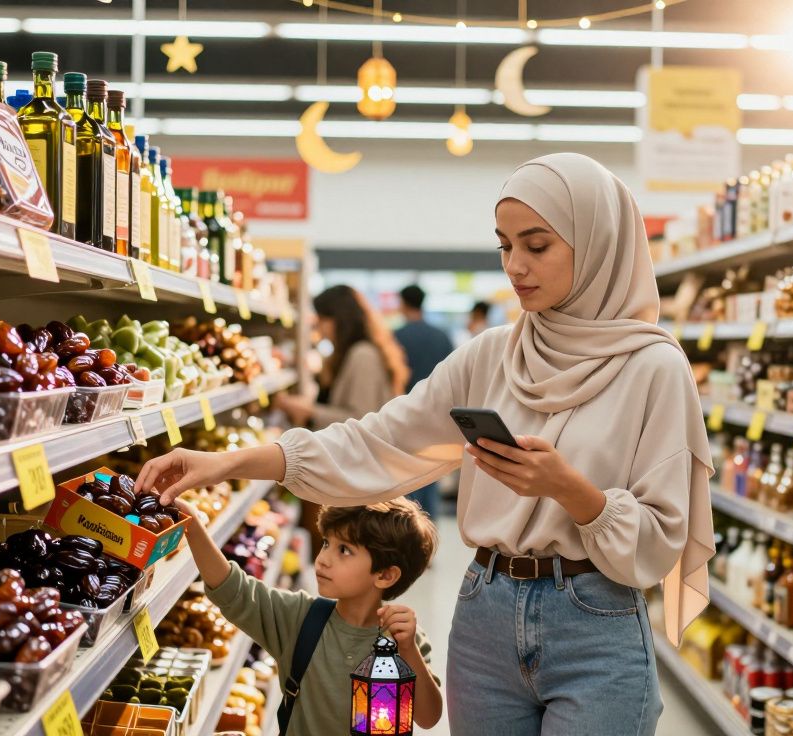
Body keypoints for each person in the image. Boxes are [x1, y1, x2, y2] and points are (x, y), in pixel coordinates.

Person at [135, 153, 715, 735]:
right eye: (505, 246)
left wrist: (569, 489)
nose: (516, 266)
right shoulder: (491, 355)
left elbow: (660, 541)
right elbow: (375, 442)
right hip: (486, 612)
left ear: (598, 244)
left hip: (594, 620)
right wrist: (228, 462)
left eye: (537, 246)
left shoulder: (654, 368)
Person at [179, 496, 444, 734]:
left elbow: (428, 716)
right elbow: (233, 589)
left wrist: (408, 650)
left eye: (344, 550)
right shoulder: (300, 619)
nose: (323, 559)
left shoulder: (404, 640)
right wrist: (193, 526)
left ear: (385, 575)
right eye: (327, 542)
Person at [270, 284, 408, 431]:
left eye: (322, 319)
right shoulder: (351, 353)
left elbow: (362, 420)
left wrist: (310, 411)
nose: (319, 329)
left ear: (338, 319)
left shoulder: (364, 355)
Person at [393, 284, 454, 519]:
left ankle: (409, 536)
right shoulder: (441, 337)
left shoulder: (398, 337)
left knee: (407, 481)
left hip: (406, 416)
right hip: (438, 419)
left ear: (403, 303)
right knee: (432, 477)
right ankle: (428, 539)